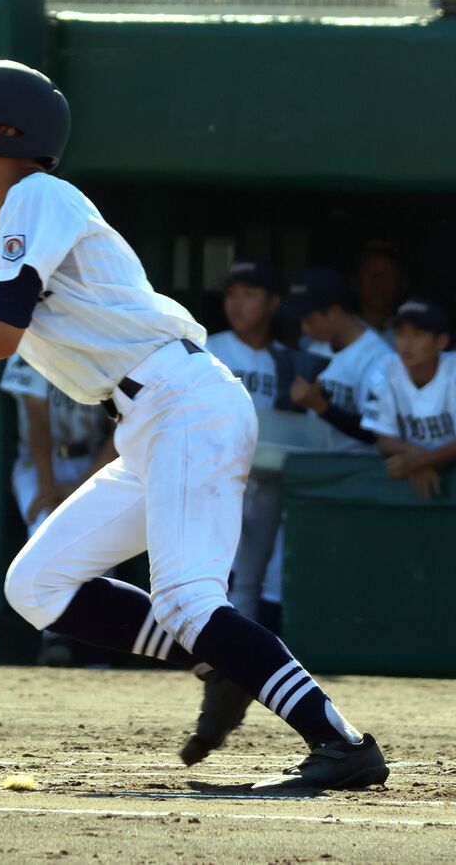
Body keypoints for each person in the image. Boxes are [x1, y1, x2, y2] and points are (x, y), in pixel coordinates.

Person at [0, 59, 388, 789]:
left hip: (182, 402)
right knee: (36, 584)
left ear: (10, 132)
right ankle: (220, 658)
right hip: (147, 419)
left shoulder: (41, 196)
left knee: (189, 597)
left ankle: (341, 741)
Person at [181, 260, 332, 767]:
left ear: (272, 303)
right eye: (232, 293)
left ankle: (237, 678)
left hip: (264, 484)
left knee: (249, 585)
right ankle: (227, 673)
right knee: (201, 583)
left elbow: (304, 430)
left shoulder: (291, 360)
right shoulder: (211, 347)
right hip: (212, 478)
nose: (237, 302)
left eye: (250, 293)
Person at [0, 354, 115, 666]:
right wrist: (49, 487)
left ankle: (98, 646)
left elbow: (126, 426)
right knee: (44, 527)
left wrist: (82, 486)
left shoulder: (104, 346)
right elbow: (36, 421)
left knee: (103, 540)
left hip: (93, 459)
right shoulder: (29, 344)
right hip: (38, 463)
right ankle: (55, 636)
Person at [361, 299, 456, 498]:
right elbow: (384, 439)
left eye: (417, 335)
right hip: (416, 472)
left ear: (441, 342)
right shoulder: (384, 370)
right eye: (401, 334)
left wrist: (421, 461)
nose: (407, 344)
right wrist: (419, 461)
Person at [283, 266, 393, 453]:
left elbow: (376, 434)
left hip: (356, 470)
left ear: (333, 312)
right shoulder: (314, 347)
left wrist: (321, 406)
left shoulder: (379, 357)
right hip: (315, 461)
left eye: (309, 319)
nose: (304, 329)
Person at [351, 241, 408, 347]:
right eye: (370, 271)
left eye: (388, 272)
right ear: (354, 281)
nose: (378, 279)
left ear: (402, 283)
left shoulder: (416, 340)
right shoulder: (334, 334)